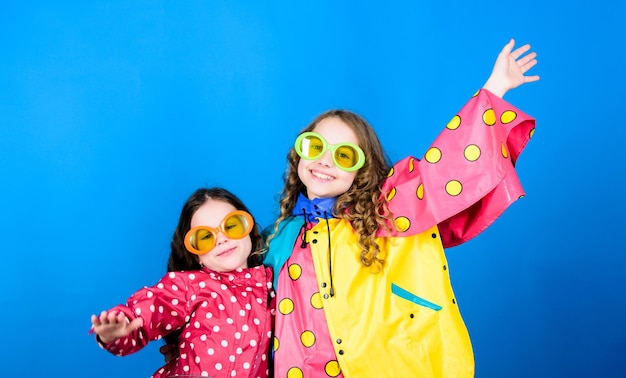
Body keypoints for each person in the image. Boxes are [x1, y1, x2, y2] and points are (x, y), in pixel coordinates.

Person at [263, 39, 539, 377]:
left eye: (344, 155)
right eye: (315, 146)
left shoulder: (384, 211)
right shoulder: (280, 237)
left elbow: (441, 174)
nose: (324, 161)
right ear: (299, 153)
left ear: (361, 171)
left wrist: (494, 88)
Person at [90, 187, 274, 378]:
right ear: (196, 255)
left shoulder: (272, 285)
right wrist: (121, 327)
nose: (222, 239)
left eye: (232, 226)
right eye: (204, 237)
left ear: (249, 230)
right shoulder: (191, 286)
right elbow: (154, 305)